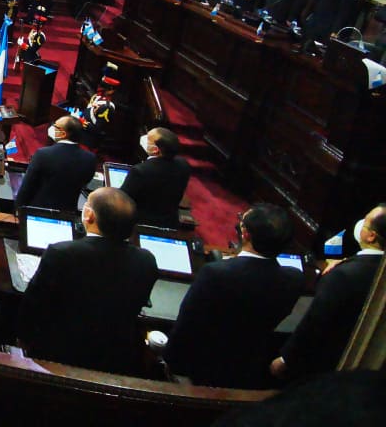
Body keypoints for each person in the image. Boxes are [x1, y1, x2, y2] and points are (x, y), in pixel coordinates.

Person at [18, 187, 157, 375]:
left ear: (89, 216)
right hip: (115, 358)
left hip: (58, 354)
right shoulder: (146, 261)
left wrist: (23, 338)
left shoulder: (61, 253)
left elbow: (33, 304)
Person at [163, 204, 303, 389]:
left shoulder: (215, 274)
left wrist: (168, 364)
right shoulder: (293, 279)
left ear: (245, 234)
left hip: (201, 370)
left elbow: (185, 328)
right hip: (250, 369)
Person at [272, 204, 386, 382]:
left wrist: (285, 359)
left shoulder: (342, 275)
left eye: (366, 222)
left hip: (320, 368)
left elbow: (314, 323)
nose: (360, 223)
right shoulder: (367, 268)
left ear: (371, 236)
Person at [14, 115, 96, 212]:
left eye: (55, 126)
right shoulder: (90, 158)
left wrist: (18, 209)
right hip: (68, 213)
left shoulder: (43, 154)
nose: (51, 128)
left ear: (63, 134)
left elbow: (27, 187)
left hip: (39, 211)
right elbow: (85, 183)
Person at [118, 128, 191, 229]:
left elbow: (122, 198)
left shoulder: (141, 171)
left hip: (140, 224)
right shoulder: (184, 165)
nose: (144, 139)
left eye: (148, 139)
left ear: (155, 150)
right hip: (170, 222)